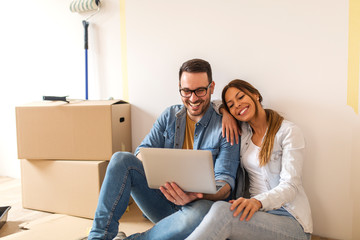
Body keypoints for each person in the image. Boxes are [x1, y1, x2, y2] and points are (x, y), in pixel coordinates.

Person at [87, 59, 240, 240]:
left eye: (200, 90)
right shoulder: (169, 116)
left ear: (211, 87)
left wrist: (196, 195)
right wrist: (156, 170)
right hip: (163, 201)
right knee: (121, 159)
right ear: (179, 87)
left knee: (203, 213)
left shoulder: (226, 127)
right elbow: (142, 151)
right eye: (186, 91)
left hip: (197, 210)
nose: (193, 98)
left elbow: (225, 184)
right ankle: (98, 237)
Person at [186, 79, 313, 240]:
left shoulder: (288, 132)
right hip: (256, 217)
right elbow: (213, 104)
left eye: (240, 97)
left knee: (222, 211)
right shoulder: (243, 133)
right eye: (231, 105)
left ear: (255, 95)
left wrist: (257, 202)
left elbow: (290, 186)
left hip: (290, 220)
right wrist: (226, 113)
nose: (237, 105)